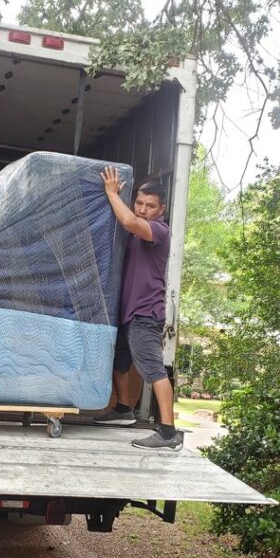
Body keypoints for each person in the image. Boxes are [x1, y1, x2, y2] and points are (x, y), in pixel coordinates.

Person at [95, 167, 184, 451]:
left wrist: (111, 192)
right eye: (140, 203)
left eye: (150, 206)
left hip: (145, 314)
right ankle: (123, 410)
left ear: (162, 209)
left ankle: (168, 432)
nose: (144, 209)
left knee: (153, 369)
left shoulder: (158, 230)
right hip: (127, 312)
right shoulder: (134, 233)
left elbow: (131, 222)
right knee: (118, 362)